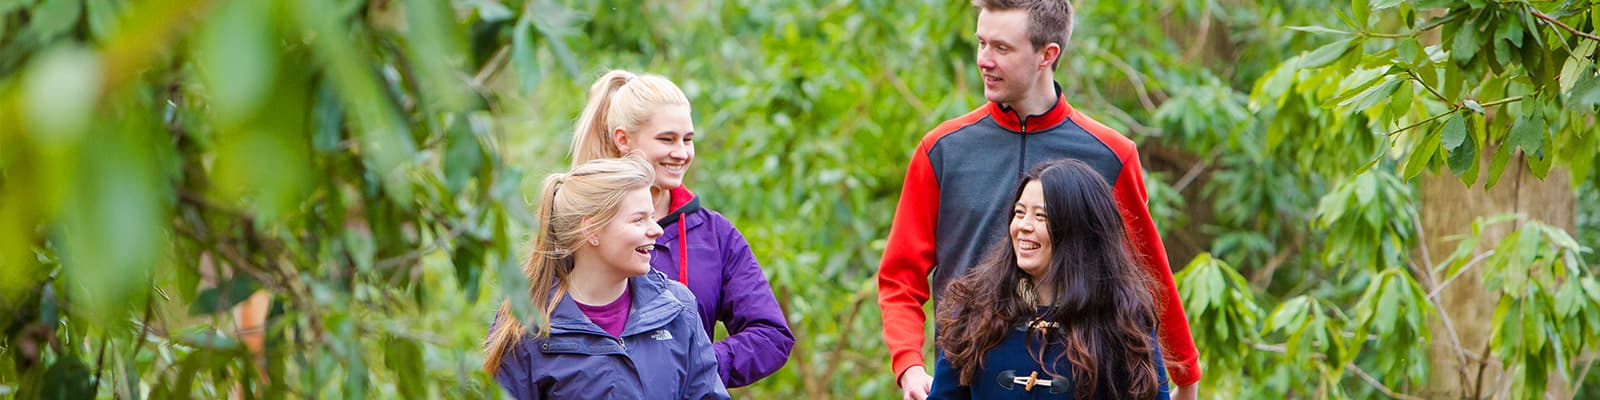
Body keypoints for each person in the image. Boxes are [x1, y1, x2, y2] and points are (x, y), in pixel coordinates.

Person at [876, 1, 1201, 399]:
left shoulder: (1109, 153)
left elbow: (1148, 274)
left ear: (1048, 55)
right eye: (981, 43)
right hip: (967, 378)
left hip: (1078, 375)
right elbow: (900, 276)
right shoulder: (943, 149)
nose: (983, 60)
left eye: (1001, 48)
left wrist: (1185, 375)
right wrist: (909, 365)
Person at [568, 69, 795, 387]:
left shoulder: (714, 236)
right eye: (667, 139)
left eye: (688, 140)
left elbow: (771, 336)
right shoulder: (580, 224)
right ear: (623, 139)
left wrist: (691, 365)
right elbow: (527, 328)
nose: (681, 152)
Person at [482, 155, 729, 399]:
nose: (657, 229)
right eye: (639, 219)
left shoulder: (677, 307)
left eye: (652, 217)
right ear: (592, 230)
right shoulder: (527, 323)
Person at [928, 159, 1169, 399]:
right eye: (1019, 213)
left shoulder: (1122, 319)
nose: (1023, 226)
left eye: (1040, 216)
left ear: (1077, 229)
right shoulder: (976, 310)